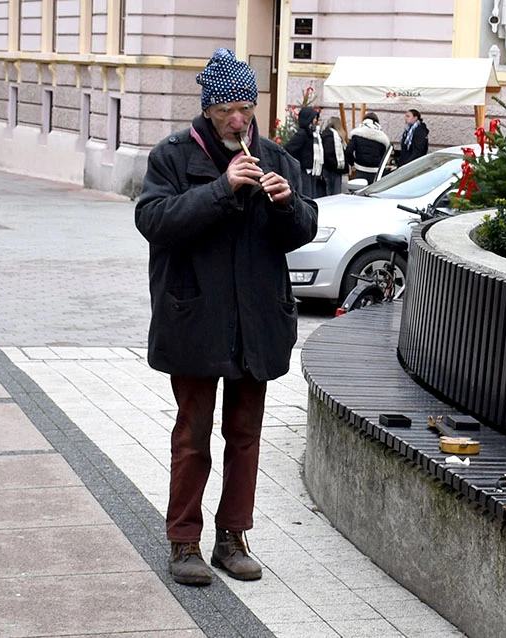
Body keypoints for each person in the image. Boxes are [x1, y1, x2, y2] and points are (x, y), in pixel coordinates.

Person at [134, 48, 318, 587]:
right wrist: (221, 189)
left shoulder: (278, 159)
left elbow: (302, 229)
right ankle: (183, 542)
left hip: (255, 322)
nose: (239, 120)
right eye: (226, 110)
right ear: (208, 110)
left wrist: (287, 205)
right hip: (195, 319)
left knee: (245, 433)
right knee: (193, 433)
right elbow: (154, 219)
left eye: (246, 107)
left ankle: (233, 537)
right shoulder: (172, 156)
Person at [284, 106, 325, 198]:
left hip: (314, 171)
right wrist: (298, 162)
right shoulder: (302, 134)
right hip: (304, 170)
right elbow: (288, 149)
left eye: (316, 118)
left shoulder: (315, 134)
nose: (315, 120)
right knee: (306, 196)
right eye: (313, 118)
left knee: (313, 196)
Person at [344, 112, 390, 184]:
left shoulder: (357, 134)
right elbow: (384, 155)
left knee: (358, 192)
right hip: (375, 171)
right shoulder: (382, 137)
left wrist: (352, 163)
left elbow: (348, 151)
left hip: (360, 169)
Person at [320, 116, 347, 196]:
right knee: (334, 194)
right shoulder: (331, 137)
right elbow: (328, 154)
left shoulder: (329, 135)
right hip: (332, 170)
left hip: (331, 169)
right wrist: (337, 165)